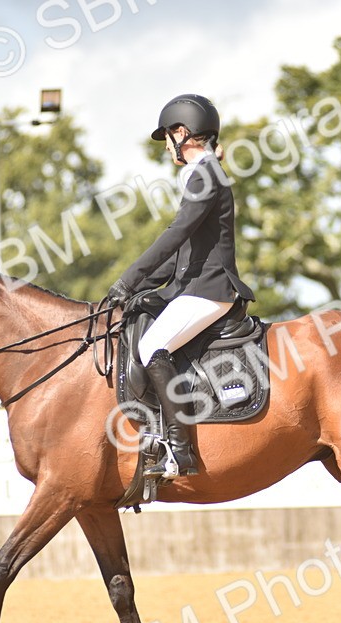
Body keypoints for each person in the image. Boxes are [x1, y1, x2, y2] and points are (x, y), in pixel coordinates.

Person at [107, 93, 256, 477]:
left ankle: (178, 449)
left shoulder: (206, 172)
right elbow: (182, 253)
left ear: (182, 132)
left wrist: (129, 278)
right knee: (142, 321)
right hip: (192, 286)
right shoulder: (199, 173)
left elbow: (177, 233)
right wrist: (135, 290)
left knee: (152, 345)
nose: (168, 144)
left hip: (211, 289)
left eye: (170, 134)